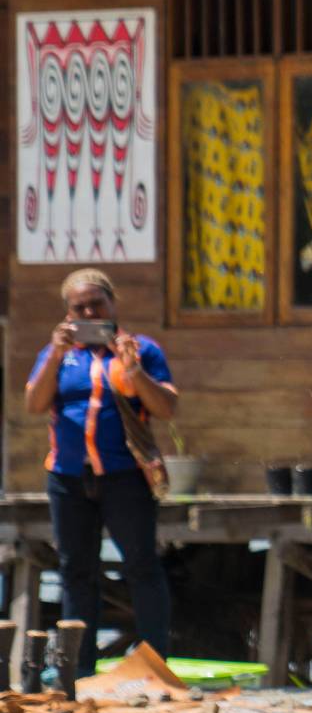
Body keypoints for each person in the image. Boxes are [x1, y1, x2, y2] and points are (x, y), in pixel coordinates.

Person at [23, 268, 178, 674]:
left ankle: (153, 664)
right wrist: (55, 354)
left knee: (141, 565)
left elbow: (166, 408)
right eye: (79, 308)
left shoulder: (140, 349)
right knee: (76, 570)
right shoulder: (59, 353)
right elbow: (34, 404)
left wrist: (134, 371)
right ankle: (78, 670)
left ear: (112, 304)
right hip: (68, 476)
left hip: (125, 475)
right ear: (68, 313)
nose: (89, 313)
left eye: (97, 304)